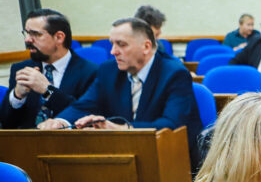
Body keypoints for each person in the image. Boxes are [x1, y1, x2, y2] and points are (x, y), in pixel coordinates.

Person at [39, 17, 202, 168]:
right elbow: (84, 105)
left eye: (121, 45)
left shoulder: (174, 73)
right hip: (124, 159)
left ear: (146, 46)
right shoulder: (108, 71)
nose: (113, 51)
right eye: (112, 44)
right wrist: (60, 122)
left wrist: (119, 129)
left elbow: (171, 126)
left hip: (171, 160)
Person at [1, 8, 97, 129]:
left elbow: (85, 114)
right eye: (27, 33)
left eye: (36, 34)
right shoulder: (20, 69)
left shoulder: (91, 72)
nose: (27, 40)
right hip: (26, 144)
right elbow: (6, 123)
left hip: (70, 144)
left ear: (59, 37)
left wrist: (47, 91)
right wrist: (17, 96)